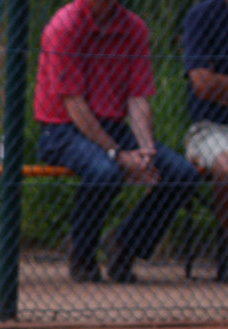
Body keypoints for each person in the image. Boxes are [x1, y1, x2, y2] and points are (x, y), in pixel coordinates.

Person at [35, 0, 198, 283]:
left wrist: (145, 149)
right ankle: (82, 250)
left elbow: (138, 97)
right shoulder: (64, 26)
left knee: (180, 174)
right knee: (104, 172)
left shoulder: (134, 28)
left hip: (113, 126)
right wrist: (117, 154)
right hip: (62, 128)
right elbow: (73, 103)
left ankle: (124, 243)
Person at [183, 0, 228, 283]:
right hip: (212, 126)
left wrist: (224, 85)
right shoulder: (204, 14)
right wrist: (215, 86)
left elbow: (214, 84)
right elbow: (203, 85)